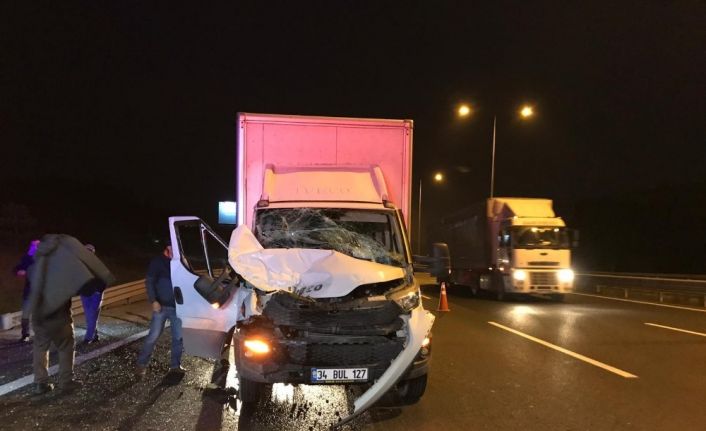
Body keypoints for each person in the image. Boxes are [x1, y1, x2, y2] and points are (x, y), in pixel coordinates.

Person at [28, 234, 115, 395]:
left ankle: (40, 383)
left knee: (40, 347)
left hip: (39, 314)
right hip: (59, 315)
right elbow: (85, 288)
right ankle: (66, 381)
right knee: (66, 346)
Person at [135, 243, 184, 378]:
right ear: (168, 247)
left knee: (178, 338)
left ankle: (175, 366)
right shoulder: (158, 262)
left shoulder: (180, 262)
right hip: (161, 306)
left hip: (177, 307)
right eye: (173, 247)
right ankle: (141, 364)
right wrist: (153, 300)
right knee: (153, 336)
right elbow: (149, 282)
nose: (176, 250)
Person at [13, 239, 40, 342]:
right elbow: (18, 268)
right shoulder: (27, 258)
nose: (34, 247)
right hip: (29, 291)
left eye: (37, 246)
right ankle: (25, 334)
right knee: (25, 313)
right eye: (33, 246)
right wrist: (18, 271)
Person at [79, 243, 104, 344]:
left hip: (95, 294)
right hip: (85, 294)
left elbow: (104, 278)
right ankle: (95, 335)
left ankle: (88, 338)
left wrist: (98, 291)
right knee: (91, 316)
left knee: (91, 316)